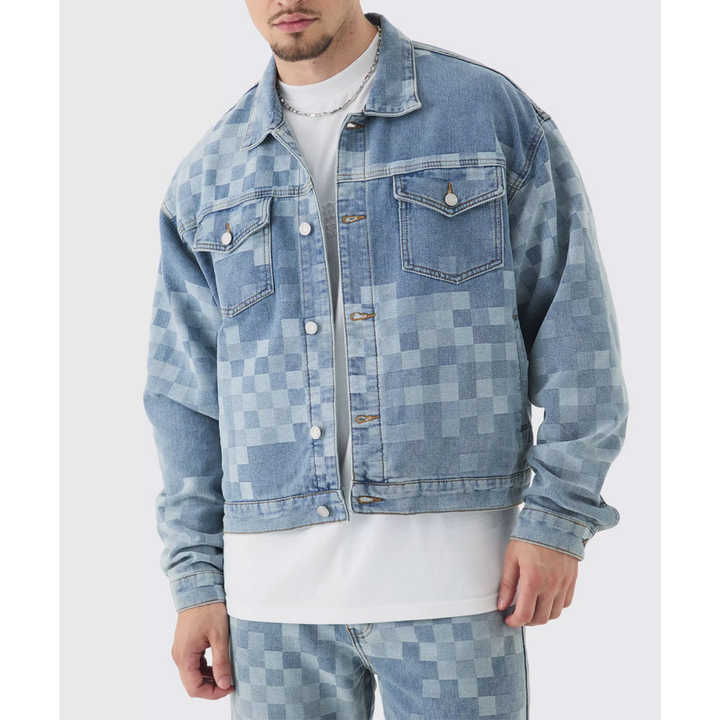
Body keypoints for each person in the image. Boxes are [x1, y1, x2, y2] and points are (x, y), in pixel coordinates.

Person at [143, 3, 629, 718]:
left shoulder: (483, 114)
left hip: (459, 590)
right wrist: (197, 583)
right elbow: (183, 398)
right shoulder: (210, 170)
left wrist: (559, 517)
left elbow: (576, 331)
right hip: (270, 613)